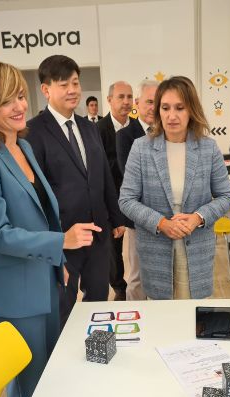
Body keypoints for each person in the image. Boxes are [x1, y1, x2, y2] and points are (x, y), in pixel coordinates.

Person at [0, 60, 98, 397]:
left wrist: (58, 263)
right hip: (14, 291)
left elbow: (43, 216)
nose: (20, 106)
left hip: (43, 278)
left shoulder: (22, 147)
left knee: (49, 372)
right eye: (7, 101)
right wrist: (60, 244)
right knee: (30, 385)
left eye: (21, 96)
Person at [25, 55, 125, 327]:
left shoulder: (88, 127)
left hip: (97, 233)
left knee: (98, 301)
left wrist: (115, 217)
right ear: (46, 90)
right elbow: (36, 192)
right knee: (63, 305)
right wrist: (51, 238)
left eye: (75, 83)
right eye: (63, 84)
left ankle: (96, 353)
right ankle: (65, 361)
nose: (72, 90)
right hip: (63, 238)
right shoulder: (33, 132)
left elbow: (103, 174)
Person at [119, 76, 230, 299]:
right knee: (161, 319)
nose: (171, 116)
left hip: (197, 244)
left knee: (193, 318)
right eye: (165, 107)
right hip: (156, 247)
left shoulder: (208, 148)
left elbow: (225, 196)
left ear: (191, 109)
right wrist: (161, 223)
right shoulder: (141, 148)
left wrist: (198, 217)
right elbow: (126, 200)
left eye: (180, 108)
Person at [116, 79, 159, 300]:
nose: (154, 107)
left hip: (166, 221)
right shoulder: (125, 136)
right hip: (138, 220)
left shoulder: (168, 134)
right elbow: (131, 178)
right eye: (149, 101)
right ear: (138, 102)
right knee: (136, 278)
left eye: (157, 102)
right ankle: (138, 323)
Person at [97, 81, 134, 301]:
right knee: (114, 249)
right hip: (111, 200)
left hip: (138, 199)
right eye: (120, 97)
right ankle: (119, 288)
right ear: (109, 99)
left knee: (140, 248)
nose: (126, 102)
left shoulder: (138, 129)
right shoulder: (97, 131)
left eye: (129, 97)